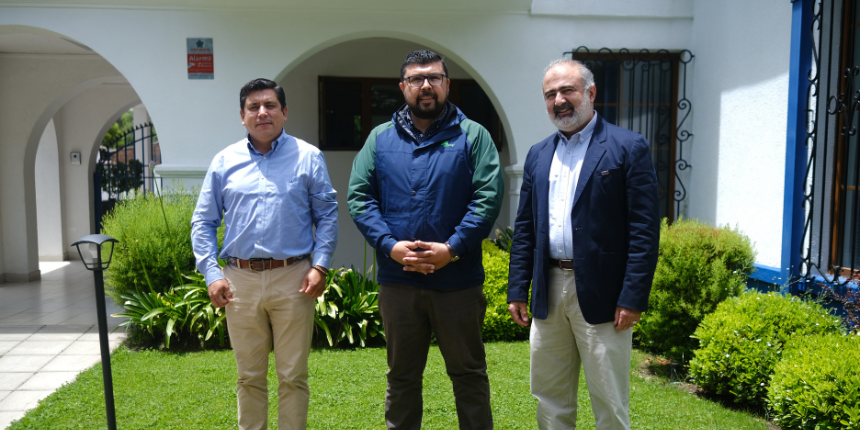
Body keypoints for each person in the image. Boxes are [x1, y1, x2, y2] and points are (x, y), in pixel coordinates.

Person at [347, 50, 503, 430]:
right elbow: (359, 196)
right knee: (401, 378)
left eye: (434, 78)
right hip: (399, 282)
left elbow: (487, 198)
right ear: (403, 88)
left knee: (468, 376)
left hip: (457, 282)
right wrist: (389, 245)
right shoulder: (380, 139)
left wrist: (452, 248)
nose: (426, 86)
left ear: (447, 85)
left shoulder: (473, 136)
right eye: (416, 79)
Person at [507, 59, 660, 430]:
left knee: (609, 400)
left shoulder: (628, 147)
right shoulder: (538, 154)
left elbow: (644, 229)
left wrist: (632, 296)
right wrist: (517, 288)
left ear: (590, 93)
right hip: (549, 288)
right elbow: (525, 226)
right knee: (549, 397)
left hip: (605, 294)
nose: (558, 100)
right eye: (550, 94)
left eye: (567, 90)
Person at [191, 78, 338, 430]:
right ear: (242, 117)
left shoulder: (308, 157)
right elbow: (203, 222)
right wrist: (212, 274)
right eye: (253, 107)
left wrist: (320, 266)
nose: (262, 113)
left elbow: (328, 215)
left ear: (284, 112)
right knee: (249, 376)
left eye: (270, 105)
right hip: (239, 281)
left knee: (292, 376)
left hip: (294, 278)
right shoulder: (225, 161)